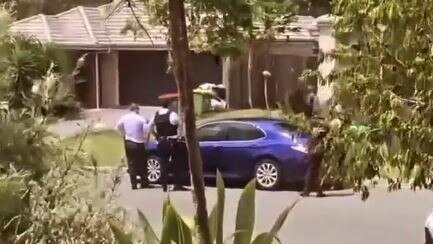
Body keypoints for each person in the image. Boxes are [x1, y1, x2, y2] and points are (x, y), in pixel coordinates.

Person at [148, 100, 187, 192]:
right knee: (176, 163)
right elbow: (180, 125)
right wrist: (180, 136)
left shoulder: (156, 115)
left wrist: (156, 136)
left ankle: (164, 185)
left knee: (163, 163)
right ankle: (177, 184)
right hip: (172, 141)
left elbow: (149, 127)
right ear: (169, 106)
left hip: (161, 141)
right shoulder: (172, 114)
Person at [116, 103, 150, 190]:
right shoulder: (141, 118)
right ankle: (144, 182)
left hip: (129, 142)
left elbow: (117, 127)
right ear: (137, 110)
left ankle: (133, 184)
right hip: (139, 142)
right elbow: (146, 130)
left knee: (131, 163)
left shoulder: (124, 117)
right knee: (142, 163)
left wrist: (123, 134)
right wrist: (145, 139)